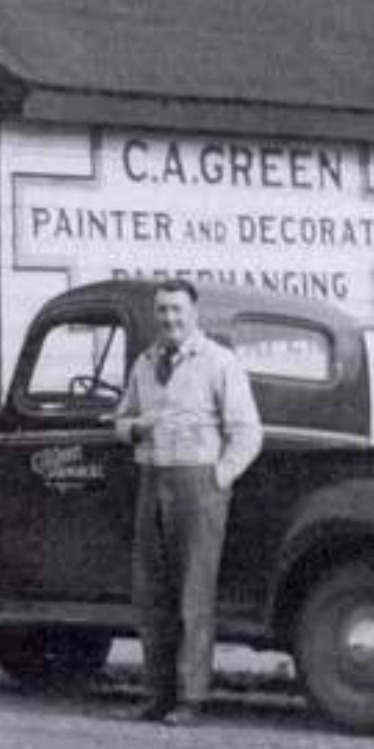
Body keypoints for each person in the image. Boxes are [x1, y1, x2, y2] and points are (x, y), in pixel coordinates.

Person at [113, 279, 262, 724]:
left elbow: (248, 431)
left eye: (177, 310)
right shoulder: (145, 363)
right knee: (150, 592)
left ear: (194, 313)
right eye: (162, 311)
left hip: (199, 484)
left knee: (193, 594)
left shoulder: (218, 362)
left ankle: (190, 698)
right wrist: (138, 427)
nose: (169, 319)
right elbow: (120, 422)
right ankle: (155, 694)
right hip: (152, 477)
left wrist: (220, 476)